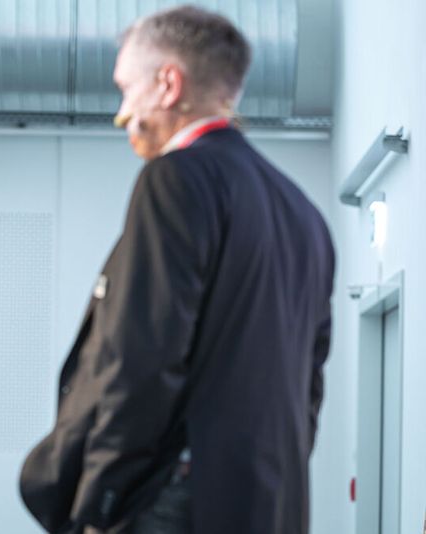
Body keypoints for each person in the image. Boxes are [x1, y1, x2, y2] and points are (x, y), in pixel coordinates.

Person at [20, 6, 335, 534]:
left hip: (174, 502)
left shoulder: (176, 179)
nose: (124, 112)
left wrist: (101, 503)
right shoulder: (303, 213)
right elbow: (309, 384)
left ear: (168, 84)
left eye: (127, 89)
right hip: (268, 503)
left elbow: (140, 357)